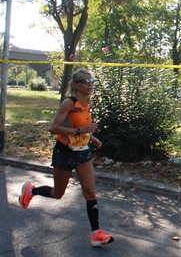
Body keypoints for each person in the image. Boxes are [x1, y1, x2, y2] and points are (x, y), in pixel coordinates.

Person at [18, 69, 113, 247]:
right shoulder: (68, 104)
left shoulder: (87, 104)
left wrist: (92, 137)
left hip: (83, 152)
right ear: (76, 85)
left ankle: (96, 234)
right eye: (86, 81)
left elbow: (82, 127)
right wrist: (80, 131)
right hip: (65, 153)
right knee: (57, 193)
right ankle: (31, 191)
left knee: (90, 192)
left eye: (92, 80)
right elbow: (54, 128)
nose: (90, 84)